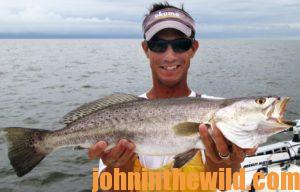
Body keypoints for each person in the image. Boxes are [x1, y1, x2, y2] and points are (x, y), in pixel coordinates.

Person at [88, 2, 256, 191]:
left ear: (193, 48)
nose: (169, 56)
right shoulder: (122, 113)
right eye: (158, 45)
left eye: (180, 44)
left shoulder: (215, 109)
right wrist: (119, 165)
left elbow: (221, 184)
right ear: (145, 49)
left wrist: (224, 160)